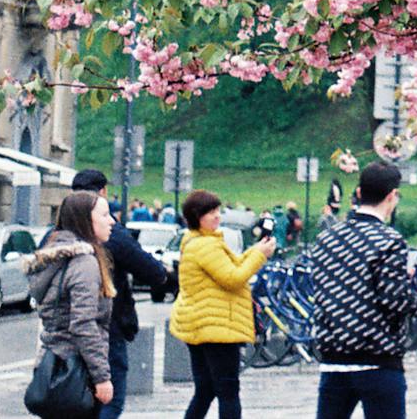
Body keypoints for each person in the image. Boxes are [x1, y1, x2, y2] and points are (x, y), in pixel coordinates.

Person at [310, 162, 417, 419]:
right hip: (377, 357)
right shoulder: (388, 241)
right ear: (392, 196)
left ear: (358, 193)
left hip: (333, 357)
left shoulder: (326, 239)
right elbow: (394, 300)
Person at [69, 168, 177, 419]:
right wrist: (164, 276)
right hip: (108, 327)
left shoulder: (56, 234)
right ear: (104, 193)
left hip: (63, 333)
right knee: (110, 402)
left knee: (71, 402)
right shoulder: (110, 234)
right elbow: (150, 270)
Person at [171, 188, 276, 418]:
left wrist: (255, 250)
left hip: (202, 324)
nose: (217, 216)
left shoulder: (197, 242)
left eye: (218, 210)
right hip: (217, 328)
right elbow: (233, 278)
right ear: (197, 216)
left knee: (206, 390)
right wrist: (260, 256)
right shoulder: (205, 245)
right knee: (228, 391)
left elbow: (232, 267)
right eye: (210, 212)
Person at [27, 190, 117, 415]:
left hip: (52, 364)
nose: (112, 221)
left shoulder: (57, 256)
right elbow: (83, 325)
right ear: (86, 220)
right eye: (105, 215)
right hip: (75, 370)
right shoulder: (84, 263)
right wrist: (102, 377)